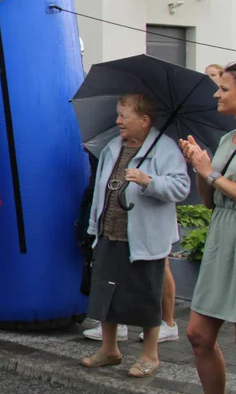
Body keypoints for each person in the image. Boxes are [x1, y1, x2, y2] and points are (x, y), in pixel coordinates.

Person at [79, 94, 189, 378]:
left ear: (144, 119)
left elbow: (181, 187)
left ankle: (150, 355)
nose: (118, 121)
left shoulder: (164, 149)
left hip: (144, 237)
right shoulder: (113, 147)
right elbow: (100, 190)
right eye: (118, 114)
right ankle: (109, 349)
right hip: (109, 231)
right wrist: (94, 226)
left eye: (123, 116)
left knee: (145, 295)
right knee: (106, 291)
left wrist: (149, 181)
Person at [169, 62, 236, 394]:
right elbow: (212, 200)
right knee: (197, 334)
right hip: (222, 237)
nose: (216, 94)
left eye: (224, 88)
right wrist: (200, 167)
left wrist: (211, 174)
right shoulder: (229, 139)